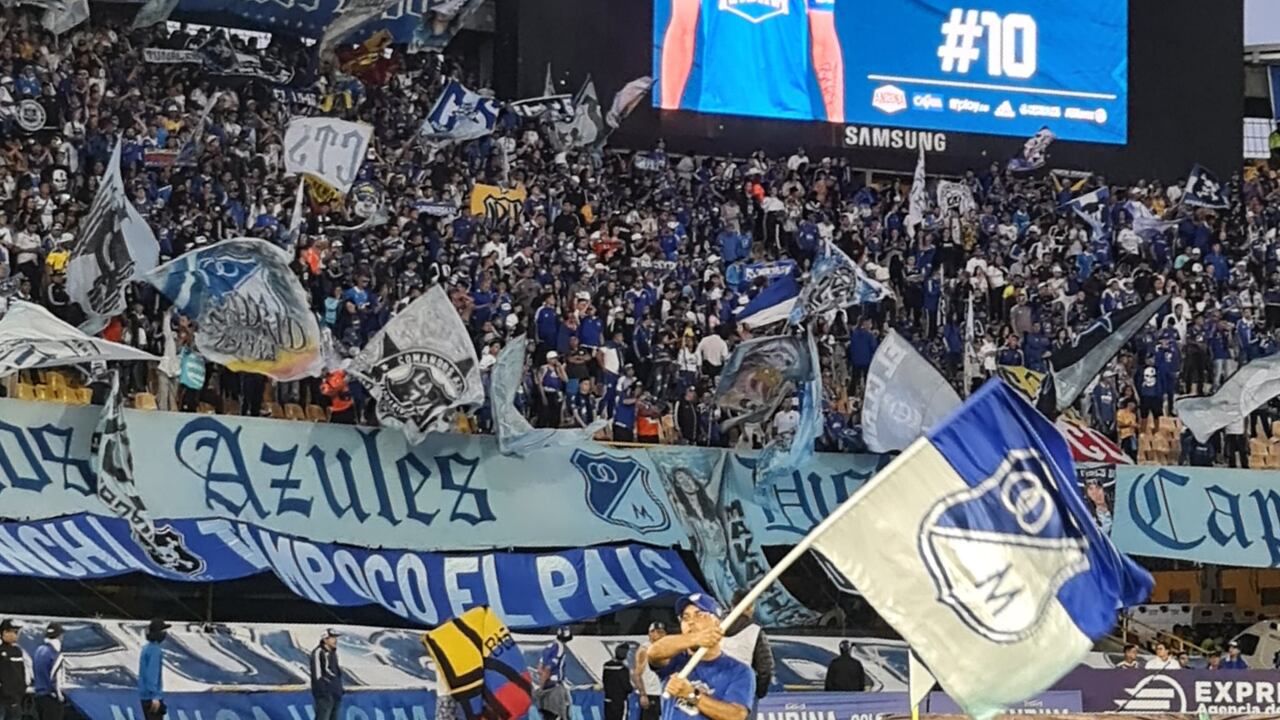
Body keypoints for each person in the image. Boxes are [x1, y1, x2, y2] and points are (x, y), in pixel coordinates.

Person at [657, 0, 845, 123]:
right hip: (717, 111)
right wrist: (668, 114)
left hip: (790, 113)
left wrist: (836, 124)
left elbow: (824, 42)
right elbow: (682, 31)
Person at [646, 593, 754, 720]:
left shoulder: (738, 670)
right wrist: (696, 638)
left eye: (699, 614)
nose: (691, 622)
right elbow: (654, 652)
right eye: (685, 617)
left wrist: (691, 695)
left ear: (717, 622)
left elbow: (736, 715)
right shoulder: (675, 660)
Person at [721, 589, 773, 710]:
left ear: (732, 605)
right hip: (742, 691)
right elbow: (765, 668)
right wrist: (759, 692)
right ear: (750, 606)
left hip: (713, 689)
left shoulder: (714, 624)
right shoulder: (755, 630)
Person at [536, 627, 573, 720]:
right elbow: (547, 669)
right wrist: (541, 688)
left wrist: (542, 686)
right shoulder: (558, 648)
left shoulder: (548, 646)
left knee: (547, 715)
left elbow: (539, 669)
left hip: (547, 685)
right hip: (555, 688)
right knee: (560, 715)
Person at [632, 622, 668, 720]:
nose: (657, 634)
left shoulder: (668, 648)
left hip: (665, 693)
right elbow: (636, 674)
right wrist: (643, 694)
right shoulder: (645, 650)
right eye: (653, 632)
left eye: (660, 632)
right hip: (651, 693)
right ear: (649, 634)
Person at [32, 623, 64, 720]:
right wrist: (59, 695)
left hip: (38, 696)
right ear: (60, 636)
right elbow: (55, 676)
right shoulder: (56, 655)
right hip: (50, 697)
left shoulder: (38, 650)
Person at [139, 619, 169, 720]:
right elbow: (152, 674)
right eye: (163, 631)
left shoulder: (146, 648)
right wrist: (155, 696)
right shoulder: (155, 650)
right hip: (151, 697)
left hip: (144, 695)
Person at [310, 628, 344, 720]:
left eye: (335, 638)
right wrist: (324, 693)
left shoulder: (333, 653)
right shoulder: (318, 652)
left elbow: (336, 673)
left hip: (335, 694)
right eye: (332, 638)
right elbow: (317, 675)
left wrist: (339, 690)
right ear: (325, 639)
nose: (335, 640)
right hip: (325, 695)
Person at [0, 620, 26, 720]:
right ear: (4, 633)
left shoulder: (18, 651)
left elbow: (21, 673)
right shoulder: (1, 652)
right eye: (14, 632)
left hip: (16, 700)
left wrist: (22, 691)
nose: (16, 635)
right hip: (3, 700)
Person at [602, 644, 634, 720]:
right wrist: (632, 688)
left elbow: (604, 681)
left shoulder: (606, 667)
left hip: (608, 700)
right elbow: (627, 687)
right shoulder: (623, 670)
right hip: (620, 701)